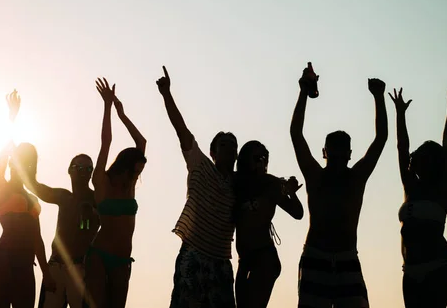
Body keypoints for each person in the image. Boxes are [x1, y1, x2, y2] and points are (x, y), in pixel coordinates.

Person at [290, 63, 388, 308]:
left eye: (341, 148)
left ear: (349, 153)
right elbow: (296, 134)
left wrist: (379, 98)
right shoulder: (317, 176)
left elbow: (381, 139)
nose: (336, 153)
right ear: (325, 151)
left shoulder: (354, 178)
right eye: (333, 148)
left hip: (346, 257)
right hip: (316, 255)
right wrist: (303, 92)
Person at [388, 72, 447, 308]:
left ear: (434, 163)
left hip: (438, 268)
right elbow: (401, 147)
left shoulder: (444, 188)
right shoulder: (410, 186)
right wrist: (400, 114)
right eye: (418, 158)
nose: (416, 162)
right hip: (410, 270)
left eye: (424, 158)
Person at [156, 66, 237, 308]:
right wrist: (166, 94)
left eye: (233, 146)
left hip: (221, 260)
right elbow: (180, 129)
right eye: (224, 145)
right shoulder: (200, 165)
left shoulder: (239, 182)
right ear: (213, 152)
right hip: (194, 255)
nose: (230, 149)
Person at [0, 90, 55, 308]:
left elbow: (38, 238)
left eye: (29, 163)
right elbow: (3, 152)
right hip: (3, 260)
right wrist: (11, 119)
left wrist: (46, 273)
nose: (24, 166)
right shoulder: (1, 186)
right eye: (21, 161)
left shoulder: (32, 198)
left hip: (26, 264)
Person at [83, 78, 147, 308]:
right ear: (127, 165)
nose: (138, 174)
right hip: (99, 255)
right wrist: (107, 107)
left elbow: (141, 141)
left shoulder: (130, 184)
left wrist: (122, 114)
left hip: (122, 259)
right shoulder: (101, 180)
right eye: (137, 169)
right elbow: (106, 142)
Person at [233, 140, 304, 308]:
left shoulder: (270, 184)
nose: (261, 162)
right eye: (257, 157)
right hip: (244, 260)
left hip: (264, 258)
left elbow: (297, 213)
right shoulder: (235, 183)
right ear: (244, 159)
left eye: (264, 158)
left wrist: (291, 193)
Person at [25, 153, 99, 308]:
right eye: (78, 168)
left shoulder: (97, 199)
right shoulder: (63, 196)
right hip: (56, 267)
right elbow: (33, 185)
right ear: (69, 171)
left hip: (81, 269)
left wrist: (93, 214)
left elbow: (113, 222)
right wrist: (26, 160)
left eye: (88, 168)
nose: (83, 172)